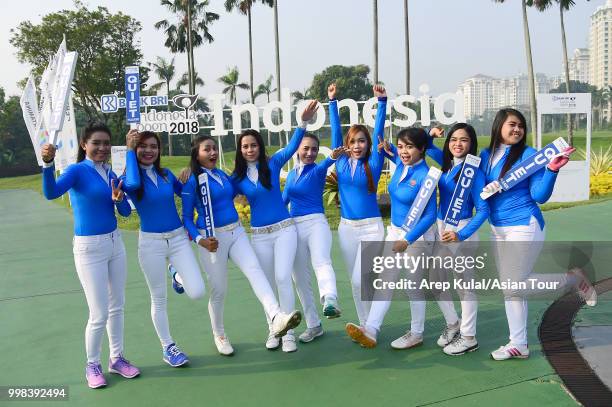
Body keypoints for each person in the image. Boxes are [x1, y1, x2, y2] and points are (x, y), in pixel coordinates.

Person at [480, 108, 597, 361]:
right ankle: (518, 344)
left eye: (521, 126)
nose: (517, 129)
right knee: (511, 289)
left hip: (524, 223)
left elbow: (539, 196)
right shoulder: (485, 156)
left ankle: (572, 281)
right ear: (498, 126)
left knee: (513, 285)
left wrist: (552, 170)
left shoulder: (529, 155)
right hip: (497, 229)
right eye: (512, 124)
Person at [182, 135, 302, 355]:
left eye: (213, 149)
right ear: (196, 154)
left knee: (255, 271)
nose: (212, 153)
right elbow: (187, 218)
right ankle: (219, 334)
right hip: (211, 239)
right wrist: (201, 240)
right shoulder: (192, 181)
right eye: (206, 149)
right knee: (219, 290)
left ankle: (276, 317)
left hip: (236, 232)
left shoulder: (223, 176)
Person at [40, 122, 139, 389]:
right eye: (96, 143)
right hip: (89, 249)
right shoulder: (76, 171)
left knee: (117, 306)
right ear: (84, 145)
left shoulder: (109, 172)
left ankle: (116, 359)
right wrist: (47, 164)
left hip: (114, 244)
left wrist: (119, 200)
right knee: (99, 313)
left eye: (106, 143)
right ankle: (92, 364)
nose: (102, 148)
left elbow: (127, 213)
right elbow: (50, 193)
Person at [231, 100, 319, 352]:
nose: (250, 149)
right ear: (240, 149)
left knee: (282, 277)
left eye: (254, 145)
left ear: (260, 146)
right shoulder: (236, 178)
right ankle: (274, 328)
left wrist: (303, 121)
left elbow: (293, 146)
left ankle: (289, 334)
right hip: (259, 236)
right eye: (245, 146)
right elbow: (218, 198)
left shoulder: (273, 164)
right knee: (267, 284)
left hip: (284, 230)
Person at [346, 127, 437, 349]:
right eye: (401, 146)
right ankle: (372, 330)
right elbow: (391, 150)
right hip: (394, 232)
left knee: (413, 286)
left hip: (416, 237)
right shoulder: (401, 161)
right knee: (385, 281)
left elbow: (430, 215)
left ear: (422, 149)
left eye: (410, 147)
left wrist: (408, 240)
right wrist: (388, 148)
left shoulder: (426, 176)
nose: (404, 151)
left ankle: (416, 332)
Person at [122, 130, 205, 367]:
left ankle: (176, 275)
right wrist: (129, 148)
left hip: (178, 238)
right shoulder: (129, 178)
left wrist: (190, 175)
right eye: (142, 146)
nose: (149, 151)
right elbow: (131, 195)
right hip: (151, 244)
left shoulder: (167, 174)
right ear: (135, 150)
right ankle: (168, 347)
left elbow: (187, 192)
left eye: (153, 146)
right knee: (158, 299)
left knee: (197, 291)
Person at [425, 123, 489, 355]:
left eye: (464, 140)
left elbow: (483, 210)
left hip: (462, 231)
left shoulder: (474, 171)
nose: (458, 144)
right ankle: (454, 323)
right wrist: (430, 133)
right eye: (453, 139)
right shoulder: (447, 163)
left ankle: (469, 336)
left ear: (471, 144)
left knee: (464, 286)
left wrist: (461, 234)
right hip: (442, 229)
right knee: (435, 280)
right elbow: (425, 145)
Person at [328, 83, 386, 330]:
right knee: (356, 282)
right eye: (353, 141)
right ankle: (366, 324)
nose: (357, 145)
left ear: (367, 143)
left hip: (372, 228)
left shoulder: (374, 161)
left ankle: (371, 323)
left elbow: (380, 128)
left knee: (361, 278)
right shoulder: (340, 161)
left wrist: (382, 103)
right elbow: (335, 132)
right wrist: (332, 102)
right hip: (347, 229)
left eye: (362, 141)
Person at [282, 133, 345, 343]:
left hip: (316, 223)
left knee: (321, 261)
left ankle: (330, 300)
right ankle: (314, 325)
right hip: (293, 228)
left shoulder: (318, 170)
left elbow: (330, 160)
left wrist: (334, 156)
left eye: (314, 149)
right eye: (306, 148)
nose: (310, 153)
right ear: (297, 150)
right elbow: (282, 202)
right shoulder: (290, 175)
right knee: (299, 278)